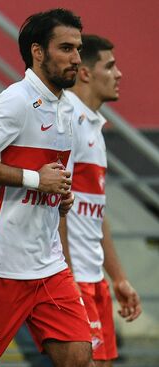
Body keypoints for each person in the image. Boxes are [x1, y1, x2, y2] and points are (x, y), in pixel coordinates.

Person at [0, 8, 93, 366]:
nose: (77, 58)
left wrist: (59, 197)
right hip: (0, 264)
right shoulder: (15, 100)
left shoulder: (68, 109)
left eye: (78, 48)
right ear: (38, 52)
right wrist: (37, 180)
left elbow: (53, 179)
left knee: (79, 358)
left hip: (49, 265)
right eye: (66, 48)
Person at [61, 34, 142, 366]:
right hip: (72, 276)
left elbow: (96, 212)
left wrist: (118, 277)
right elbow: (57, 207)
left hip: (94, 277)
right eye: (110, 66)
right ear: (85, 73)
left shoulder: (93, 126)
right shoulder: (67, 121)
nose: (119, 74)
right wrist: (65, 278)